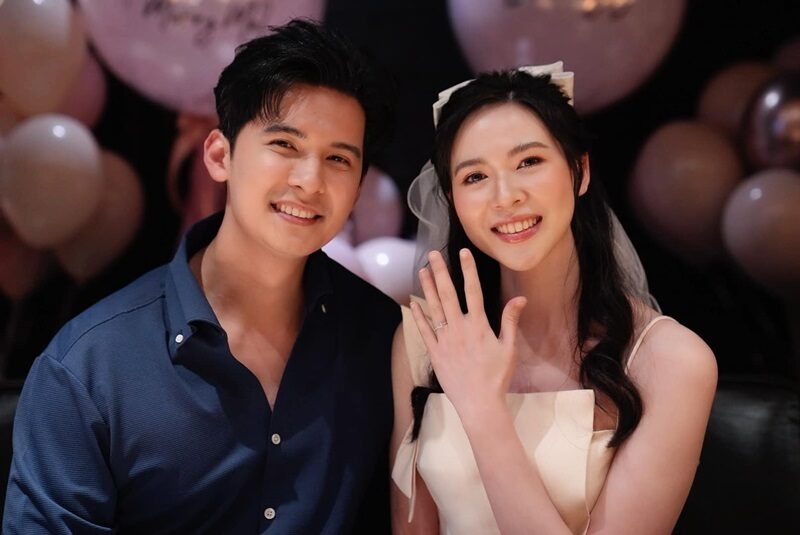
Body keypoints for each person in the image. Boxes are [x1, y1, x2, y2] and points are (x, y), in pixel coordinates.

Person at [4, 19, 400, 534]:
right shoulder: (89, 366)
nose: (310, 181)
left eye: (338, 159)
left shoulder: (382, 339)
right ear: (219, 155)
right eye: (285, 145)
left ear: (358, 188)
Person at [390, 63, 718, 535]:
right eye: (475, 177)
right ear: (452, 199)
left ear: (579, 171)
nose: (505, 197)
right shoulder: (425, 338)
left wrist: (483, 411)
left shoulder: (673, 362)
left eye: (528, 162)